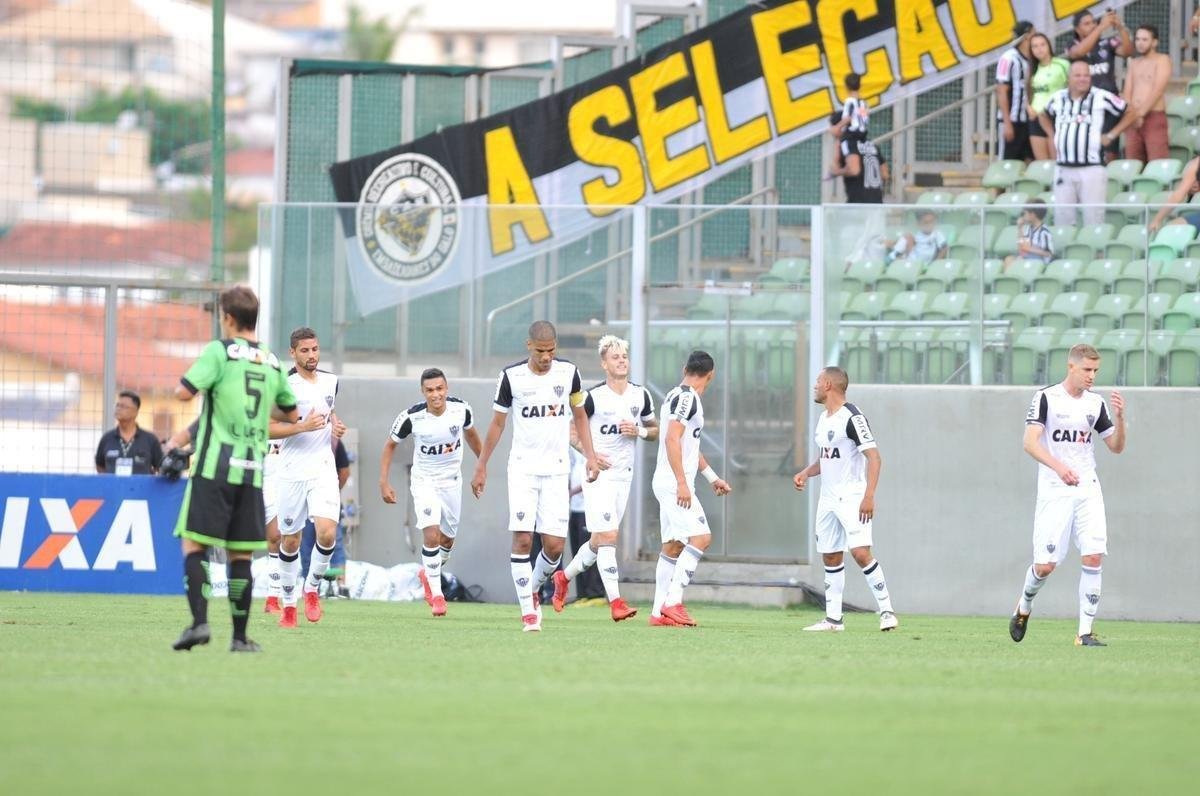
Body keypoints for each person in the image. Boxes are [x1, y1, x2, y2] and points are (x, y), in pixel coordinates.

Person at [170, 286, 299, 654]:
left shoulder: (219, 351)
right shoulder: (272, 361)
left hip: (214, 465)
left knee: (194, 543)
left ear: (227, 318)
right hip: (251, 470)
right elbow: (289, 413)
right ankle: (240, 638)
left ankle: (199, 623)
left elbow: (183, 392)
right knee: (241, 554)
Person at [471, 321, 599, 632]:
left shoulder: (568, 373)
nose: (546, 357)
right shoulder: (511, 377)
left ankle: (531, 587)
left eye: (551, 350)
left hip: (557, 469)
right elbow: (497, 424)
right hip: (523, 468)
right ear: (529, 346)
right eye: (541, 351)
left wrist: (591, 456)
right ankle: (529, 611)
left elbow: (580, 416)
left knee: (554, 546)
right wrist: (482, 464)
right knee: (524, 538)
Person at [1009, 344, 1126, 647]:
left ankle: (1084, 633)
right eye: (1087, 370)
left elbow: (1115, 446)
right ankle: (1024, 605)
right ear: (1071, 367)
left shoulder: (1095, 403)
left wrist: (1121, 418)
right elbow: (1030, 443)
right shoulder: (1046, 398)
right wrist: (1059, 468)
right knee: (1046, 565)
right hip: (1055, 488)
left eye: (1096, 371)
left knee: (1093, 555)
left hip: (1088, 486)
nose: (1092, 376)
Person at [552, 334, 658, 621]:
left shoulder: (641, 395)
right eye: (615, 357)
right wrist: (590, 455)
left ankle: (563, 578)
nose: (621, 360)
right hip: (598, 475)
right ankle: (616, 602)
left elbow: (656, 429)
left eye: (624, 356)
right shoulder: (592, 397)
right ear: (604, 363)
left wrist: (641, 432)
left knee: (599, 540)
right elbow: (570, 431)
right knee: (610, 536)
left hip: (625, 476)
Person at [792, 367, 897, 632]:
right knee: (830, 556)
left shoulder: (853, 417)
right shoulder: (824, 418)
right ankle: (833, 620)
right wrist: (806, 472)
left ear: (828, 384)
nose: (814, 386)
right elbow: (827, 457)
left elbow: (874, 457)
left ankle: (887, 612)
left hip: (852, 496)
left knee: (861, 553)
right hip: (827, 498)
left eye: (817, 382)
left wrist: (868, 496)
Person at [380, 368, 482, 618]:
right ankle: (437, 596)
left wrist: (482, 468)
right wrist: (384, 482)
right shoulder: (411, 417)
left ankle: (429, 573)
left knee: (446, 541)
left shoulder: (462, 409)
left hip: (452, 483)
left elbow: (471, 434)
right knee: (432, 534)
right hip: (424, 481)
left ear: (446, 388)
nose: (435, 394)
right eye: (430, 390)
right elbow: (390, 445)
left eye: (439, 389)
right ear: (422, 392)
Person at [270, 327, 346, 628]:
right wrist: (301, 427)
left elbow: (328, 410)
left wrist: (336, 425)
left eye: (315, 349)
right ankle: (289, 605)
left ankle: (312, 588)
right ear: (293, 353)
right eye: (305, 351)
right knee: (290, 540)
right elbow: (267, 427)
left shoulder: (331, 381)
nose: (311, 355)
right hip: (290, 472)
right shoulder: (284, 387)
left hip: (322, 468)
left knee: (327, 532)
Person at [649, 350, 732, 628]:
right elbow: (672, 439)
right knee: (701, 538)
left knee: (673, 546)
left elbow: (688, 447)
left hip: (667, 481)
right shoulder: (687, 399)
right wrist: (682, 483)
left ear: (685, 368)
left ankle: (657, 612)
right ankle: (673, 603)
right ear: (711, 375)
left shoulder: (674, 395)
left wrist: (712, 478)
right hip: (674, 483)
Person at [1040, 59, 1136, 227]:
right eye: (1078, 75)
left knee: (1093, 219)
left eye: (1086, 75)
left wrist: (1112, 135)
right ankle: (1066, 252)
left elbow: (1130, 112)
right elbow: (1042, 114)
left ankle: (1094, 252)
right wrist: (1053, 135)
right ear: (1068, 78)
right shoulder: (1057, 98)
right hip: (1063, 168)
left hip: (1092, 168)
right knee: (1063, 219)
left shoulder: (1101, 96)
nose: (1082, 79)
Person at [1068, 9, 1133, 162]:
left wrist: (1121, 28)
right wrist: (1100, 27)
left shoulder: (1107, 42)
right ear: (1077, 29)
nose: (1092, 25)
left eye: (1093, 22)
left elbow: (1128, 51)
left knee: (1110, 152)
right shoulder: (1072, 44)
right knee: (1087, 149)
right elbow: (1078, 53)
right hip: (1086, 106)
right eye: (1087, 23)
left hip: (1109, 104)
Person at [299, 438, 352, 596]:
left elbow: (344, 471)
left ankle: (341, 585)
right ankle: (309, 586)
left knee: (334, 542)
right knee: (306, 544)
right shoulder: (300, 442)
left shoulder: (333, 442)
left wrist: (333, 491)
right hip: (305, 500)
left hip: (327, 498)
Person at [1121, 25, 1171, 164]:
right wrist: (1132, 114)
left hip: (1153, 117)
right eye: (1137, 39)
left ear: (1154, 42)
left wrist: (1140, 114)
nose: (1140, 43)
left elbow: (1158, 90)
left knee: (1157, 163)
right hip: (1133, 119)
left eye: (1144, 39)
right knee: (1132, 163)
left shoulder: (1162, 59)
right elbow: (1127, 92)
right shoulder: (1134, 63)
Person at [95, 390, 163, 475]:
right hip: (114, 487)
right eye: (117, 405)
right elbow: (100, 466)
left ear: (135, 412)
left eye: (124, 407)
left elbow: (159, 467)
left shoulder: (150, 440)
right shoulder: (107, 438)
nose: (118, 409)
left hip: (141, 487)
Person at [1025, 33, 1070, 162]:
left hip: (1055, 117)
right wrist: (1028, 107)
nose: (1039, 49)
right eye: (1035, 46)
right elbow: (1030, 92)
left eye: (1042, 44)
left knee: (1057, 161)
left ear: (1049, 46)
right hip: (1035, 118)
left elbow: (1073, 88)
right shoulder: (1033, 69)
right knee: (1042, 164)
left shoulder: (1062, 64)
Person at [996, 21, 1035, 162]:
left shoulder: (1032, 59)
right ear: (1026, 36)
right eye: (1033, 33)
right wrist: (1007, 123)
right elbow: (1001, 90)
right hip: (1011, 121)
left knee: (1028, 161)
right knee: (1006, 162)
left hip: (1027, 120)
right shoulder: (1008, 58)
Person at [1148, 156, 1200, 235]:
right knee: (1172, 227)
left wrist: (1157, 220)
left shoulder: (1196, 164)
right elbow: (1178, 195)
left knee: (1172, 228)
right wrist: (1157, 220)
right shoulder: (1196, 164)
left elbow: (1179, 195)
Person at [1004, 200, 1054, 270]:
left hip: (1039, 261)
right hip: (1027, 257)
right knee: (1009, 259)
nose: (1023, 216)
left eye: (1025, 213)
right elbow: (1021, 247)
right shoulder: (1029, 229)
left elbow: (1048, 253)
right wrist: (1020, 228)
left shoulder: (1044, 232)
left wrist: (1029, 249)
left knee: (1019, 261)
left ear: (1033, 214)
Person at [829, 72, 868, 140]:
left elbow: (848, 118)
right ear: (859, 85)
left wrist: (837, 127)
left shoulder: (849, 101)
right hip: (863, 132)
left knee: (834, 132)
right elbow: (864, 118)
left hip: (852, 133)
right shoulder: (863, 102)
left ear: (847, 87)